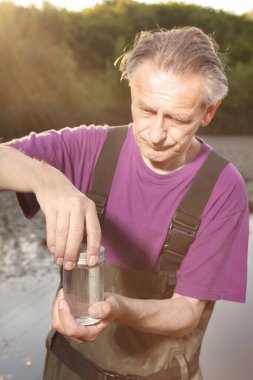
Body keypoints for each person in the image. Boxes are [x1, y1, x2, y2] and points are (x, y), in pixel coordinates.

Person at [0, 27, 249, 380]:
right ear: (132, 91)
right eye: (146, 110)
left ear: (208, 112)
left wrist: (116, 308)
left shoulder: (223, 189)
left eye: (177, 118)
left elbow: (187, 311)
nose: (157, 134)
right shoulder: (87, 147)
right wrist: (46, 179)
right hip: (69, 367)